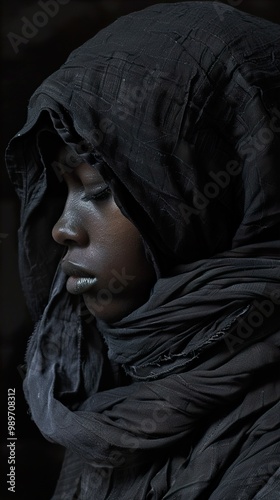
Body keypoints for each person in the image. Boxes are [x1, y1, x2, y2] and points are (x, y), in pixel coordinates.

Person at [5, 1, 280, 498]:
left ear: (213, 199)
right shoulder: (107, 396)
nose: (62, 230)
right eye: (63, 190)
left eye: (98, 191)